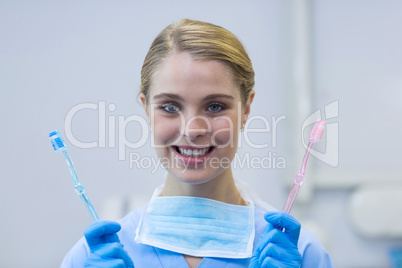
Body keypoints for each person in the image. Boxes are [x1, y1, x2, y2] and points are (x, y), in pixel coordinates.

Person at [60, 19, 334, 268]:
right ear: (146, 110)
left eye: (215, 106)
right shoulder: (94, 256)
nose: (193, 130)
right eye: (169, 107)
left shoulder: (300, 254)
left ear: (246, 109)